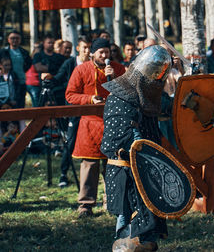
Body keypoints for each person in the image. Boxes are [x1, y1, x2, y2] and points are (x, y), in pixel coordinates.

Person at [101, 45, 172, 251]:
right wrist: (138, 144)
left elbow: (171, 107)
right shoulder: (120, 96)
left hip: (145, 172)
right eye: (154, 78)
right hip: (126, 173)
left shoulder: (148, 95)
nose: (157, 83)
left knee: (147, 236)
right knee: (130, 235)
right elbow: (115, 141)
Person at [65, 38, 125, 218]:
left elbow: (127, 91)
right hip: (89, 124)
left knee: (113, 164)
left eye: (107, 52)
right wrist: (89, 99)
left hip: (113, 123)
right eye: (101, 52)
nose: (105, 55)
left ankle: (113, 202)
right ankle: (86, 204)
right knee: (89, 165)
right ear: (93, 53)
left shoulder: (118, 68)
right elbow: (70, 95)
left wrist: (113, 77)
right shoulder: (81, 69)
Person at [53, 35, 91, 187]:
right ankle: (64, 173)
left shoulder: (94, 64)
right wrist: (49, 78)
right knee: (71, 140)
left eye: (89, 48)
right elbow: (59, 78)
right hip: (75, 107)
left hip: (91, 107)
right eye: (84, 48)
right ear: (78, 48)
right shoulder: (70, 63)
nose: (87, 51)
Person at [0, 30, 32, 108]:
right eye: (12, 38)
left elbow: (28, 64)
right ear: (8, 39)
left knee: (20, 104)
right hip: (6, 82)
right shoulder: (3, 52)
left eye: (17, 38)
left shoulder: (24, 52)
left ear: (20, 40)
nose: (14, 40)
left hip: (21, 81)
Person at [33, 34, 67, 106]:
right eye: (49, 43)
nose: (51, 45)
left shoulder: (59, 57)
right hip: (42, 87)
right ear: (44, 43)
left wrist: (47, 67)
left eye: (52, 43)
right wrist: (54, 68)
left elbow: (62, 70)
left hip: (57, 86)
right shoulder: (38, 55)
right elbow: (38, 68)